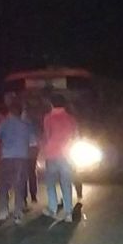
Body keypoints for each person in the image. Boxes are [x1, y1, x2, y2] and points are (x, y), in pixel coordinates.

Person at [0, 101, 34, 223]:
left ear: (10, 112)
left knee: (3, 185)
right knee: (19, 185)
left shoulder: (4, 123)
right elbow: (33, 143)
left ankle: (3, 210)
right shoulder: (26, 125)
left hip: (6, 157)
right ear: (20, 112)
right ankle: (18, 213)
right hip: (22, 158)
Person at [42, 94, 78, 222]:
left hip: (52, 154)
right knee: (66, 183)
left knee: (51, 183)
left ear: (51, 104)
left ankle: (52, 209)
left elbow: (47, 135)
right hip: (66, 155)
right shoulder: (71, 118)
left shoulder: (48, 118)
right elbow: (75, 136)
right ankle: (68, 213)